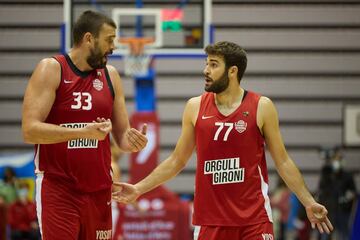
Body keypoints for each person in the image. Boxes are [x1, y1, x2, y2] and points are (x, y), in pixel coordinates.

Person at [112, 41, 333, 240]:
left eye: (214, 65)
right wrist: (139, 188)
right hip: (210, 222)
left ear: (233, 71)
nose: (206, 70)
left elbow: (283, 161)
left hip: (254, 221)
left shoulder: (262, 106)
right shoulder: (195, 107)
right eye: (207, 64)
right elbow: (176, 161)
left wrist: (308, 201)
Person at [21, 10, 148, 240]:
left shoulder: (111, 75)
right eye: (109, 39)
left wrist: (135, 141)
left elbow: (122, 139)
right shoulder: (52, 69)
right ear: (89, 38)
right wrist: (82, 131)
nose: (114, 47)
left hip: (100, 190)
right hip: (59, 189)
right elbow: (30, 130)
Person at [318, 147, 357, 240]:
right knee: (326, 234)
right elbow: (321, 190)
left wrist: (348, 196)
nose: (336, 162)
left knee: (343, 234)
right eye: (335, 159)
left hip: (343, 211)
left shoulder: (347, 176)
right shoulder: (327, 174)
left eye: (339, 159)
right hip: (329, 210)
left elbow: (354, 191)